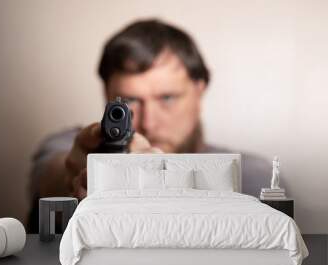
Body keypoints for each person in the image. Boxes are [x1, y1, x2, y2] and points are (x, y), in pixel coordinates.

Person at [27, 19, 275, 232]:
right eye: (131, 100)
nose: (148, 122)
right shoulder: (71, 145)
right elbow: (55, 172)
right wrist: (78, 177)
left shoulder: (250, 174)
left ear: (200, 91)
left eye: (167, 98)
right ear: (107, 93)